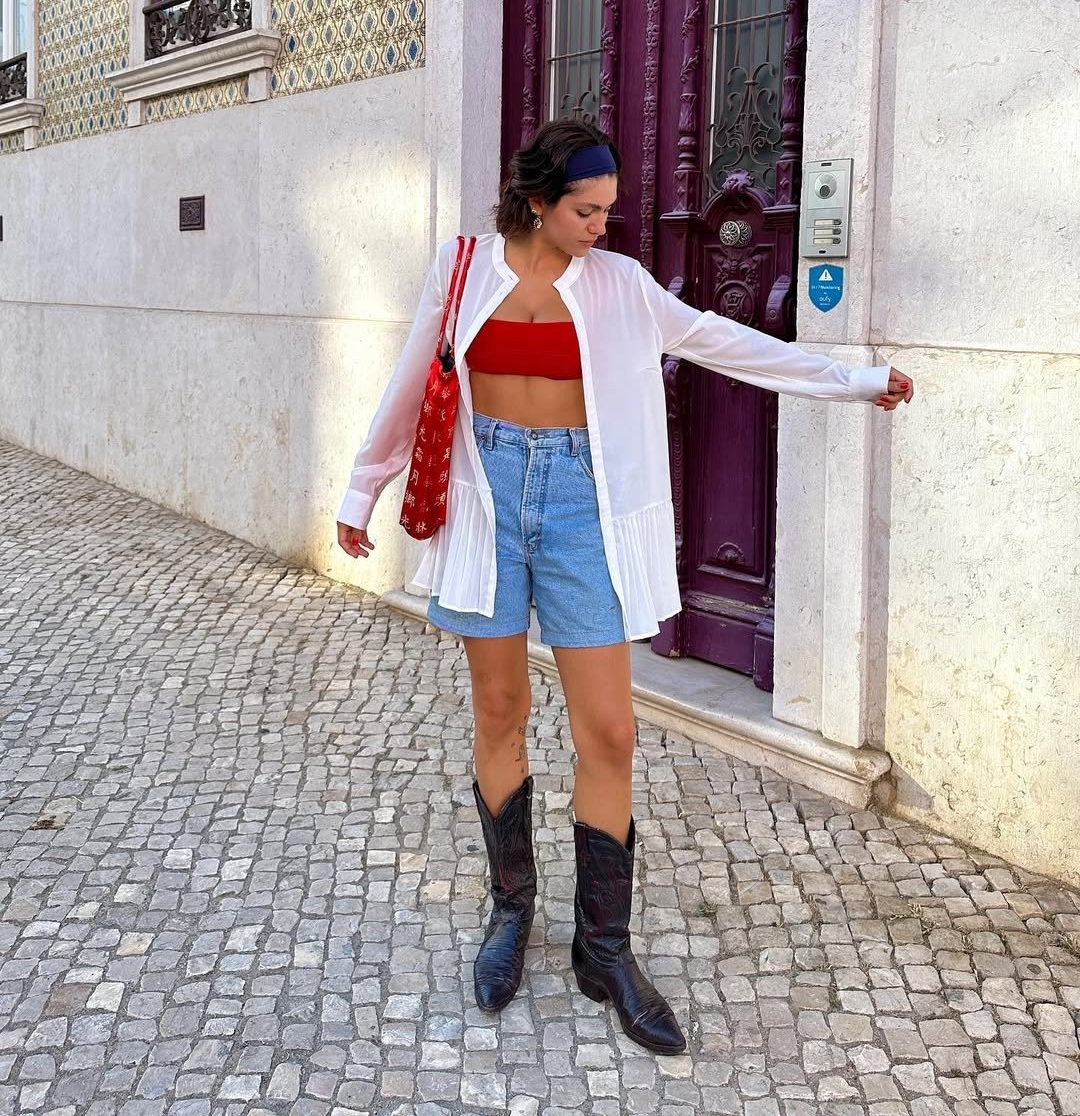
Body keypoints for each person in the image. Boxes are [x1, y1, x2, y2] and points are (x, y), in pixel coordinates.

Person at [336, 120, 914, 1056]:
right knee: (500, 712)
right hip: (488, 500)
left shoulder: (623, 288)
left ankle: (604, 950)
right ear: (536, 202)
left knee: (609, 729)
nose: (603, 226)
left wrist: (855, 381)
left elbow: (733, 344)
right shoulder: (461, 267)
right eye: (586, 210)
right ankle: (510, 912)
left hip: (583, 507)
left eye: (609, 210)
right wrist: (364, 488)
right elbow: (413, 383)